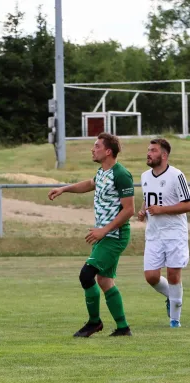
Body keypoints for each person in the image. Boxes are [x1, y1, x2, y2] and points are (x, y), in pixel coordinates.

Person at [48, 132, 135, 337]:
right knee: (104, 281)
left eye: (96, 146)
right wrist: (64, 189)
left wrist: (104, 230)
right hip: (104, 236)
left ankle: (94, 323)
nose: (92, 149)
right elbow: (90, 184)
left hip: (114, 236)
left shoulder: (121, 174)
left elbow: (129, 210)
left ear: (107, 151)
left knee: (86, 275)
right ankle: (123, 328)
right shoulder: (103, 172)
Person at [137, 138, 190, 328]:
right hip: (154, 234)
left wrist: (162, 210)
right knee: (151, 276)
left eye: (153, 150)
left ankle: (174, 320)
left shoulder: (177, 176)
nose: (148, 153)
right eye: (148, 150)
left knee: (174, 274)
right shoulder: (144, 176)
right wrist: (143, 211)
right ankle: (172, 296)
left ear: (164, 155)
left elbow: (188, 204)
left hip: (175, 234)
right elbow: (148, 199)